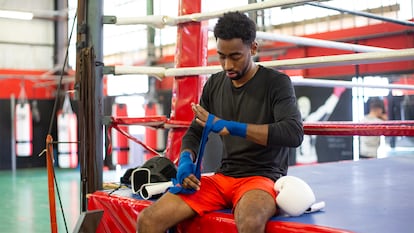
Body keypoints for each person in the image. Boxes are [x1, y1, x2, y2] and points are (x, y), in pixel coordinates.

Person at [136, 11, 303, 233]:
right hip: (223, 177)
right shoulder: (215, 84)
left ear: (253, 48)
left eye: (235, 56)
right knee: (148, 220)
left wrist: (229, 126)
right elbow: (195, 133)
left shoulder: (276, 82)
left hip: (261, 177)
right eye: (221, 56)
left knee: (251, 223)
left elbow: (293, 133)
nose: (227, 65)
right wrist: (185, 162)